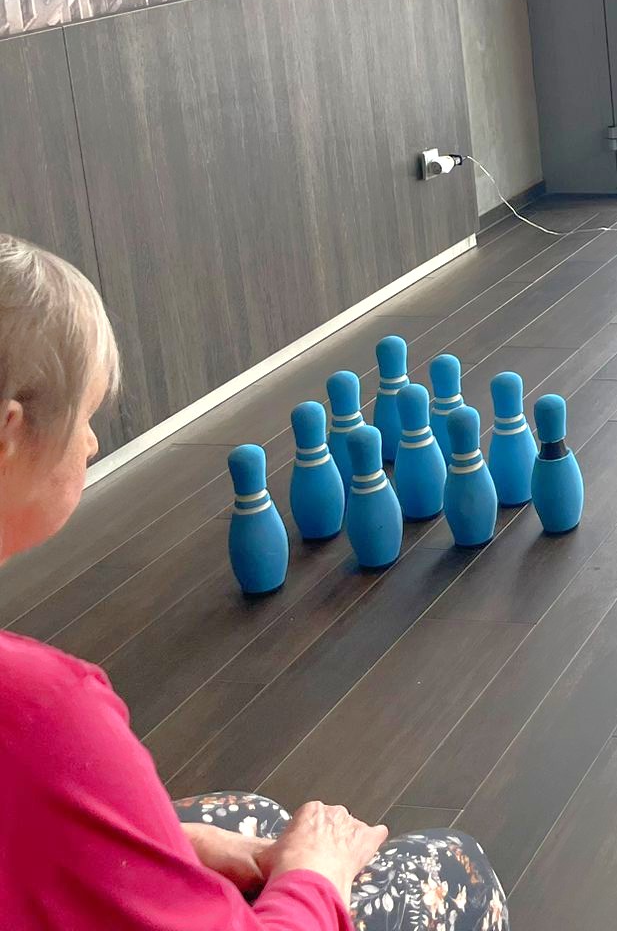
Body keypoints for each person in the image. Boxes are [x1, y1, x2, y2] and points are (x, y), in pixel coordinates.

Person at [0, 236, 508, 930]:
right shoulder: (44, 713)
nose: (90, 444)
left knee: (256, 820)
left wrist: (174, 844)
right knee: (452, 867)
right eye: (86, 419)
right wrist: (315, 875)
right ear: (8, 434)